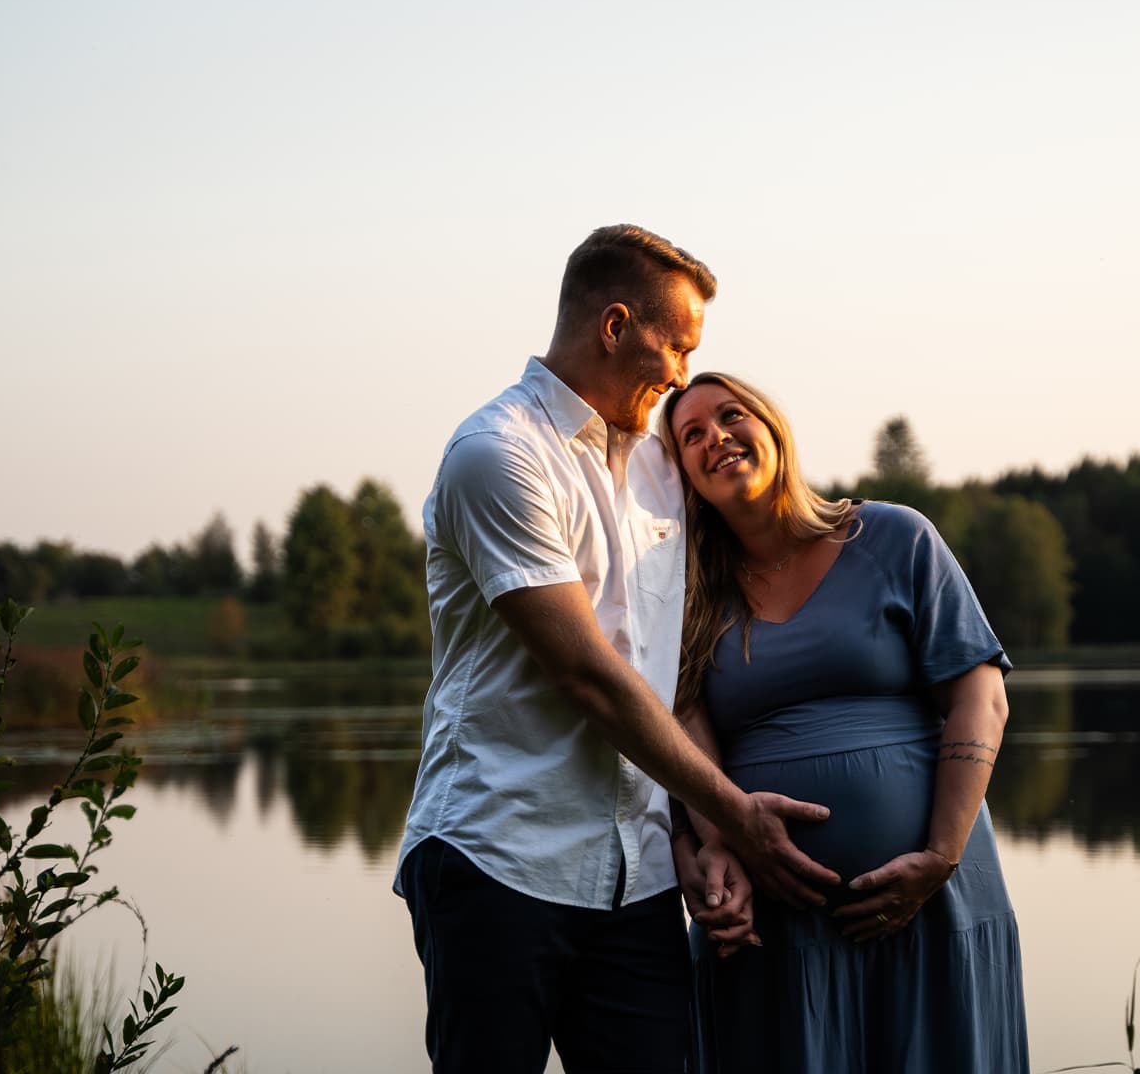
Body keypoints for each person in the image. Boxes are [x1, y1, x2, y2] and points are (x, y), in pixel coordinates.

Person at [393, 226, 839, 1074]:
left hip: (635, 880)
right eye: (676, 347)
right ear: (614, 326)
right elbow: (591, 677)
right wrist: (739, 817)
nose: (681, 374)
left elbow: (666, 676)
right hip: (499, 859)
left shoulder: (662, 468)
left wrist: (703, 839)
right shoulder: (498, 456)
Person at [662, 371, 1030, 1073]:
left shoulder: (895, 537)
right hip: (771, 918)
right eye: (692, 435)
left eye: (731, 416)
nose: (717, 439)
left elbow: (980, 698)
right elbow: (683, 734)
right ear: (681, 471)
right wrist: (717, 843)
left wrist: (939, 859)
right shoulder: (688, 592)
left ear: (773, 429)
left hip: (933, 901)